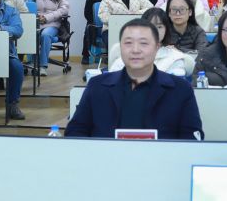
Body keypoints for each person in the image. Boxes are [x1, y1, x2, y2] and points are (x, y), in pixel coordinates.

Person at [68, 20, 204, 140]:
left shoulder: (180, 89)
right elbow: (75, 131)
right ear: (120, 47)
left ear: (157, 47)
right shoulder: (97, 86)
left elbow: (191, 139)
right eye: (128, 43)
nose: (135, 50)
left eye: (143, 43)